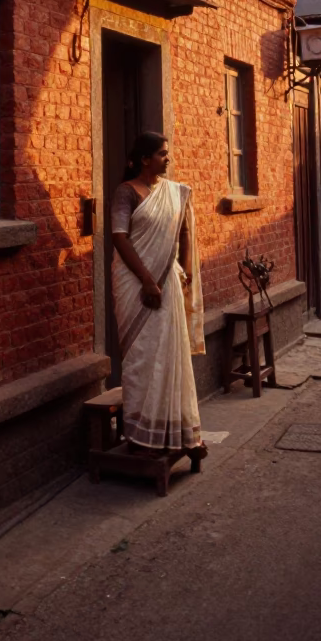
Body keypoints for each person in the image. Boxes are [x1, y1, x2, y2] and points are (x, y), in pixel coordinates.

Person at [110, 131, 206, 459]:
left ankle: (175, 430)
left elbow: (184, 229)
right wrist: (147, 280)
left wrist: (185, 266)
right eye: (162, 153)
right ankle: (139, 435)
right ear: (144, 158)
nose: (168, 158)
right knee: (141, 356)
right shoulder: (126, 192)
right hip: (134, 284)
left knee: (171, 354)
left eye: (167, 153)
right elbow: (120, 238)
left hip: (166, 282)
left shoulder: (173, 192)